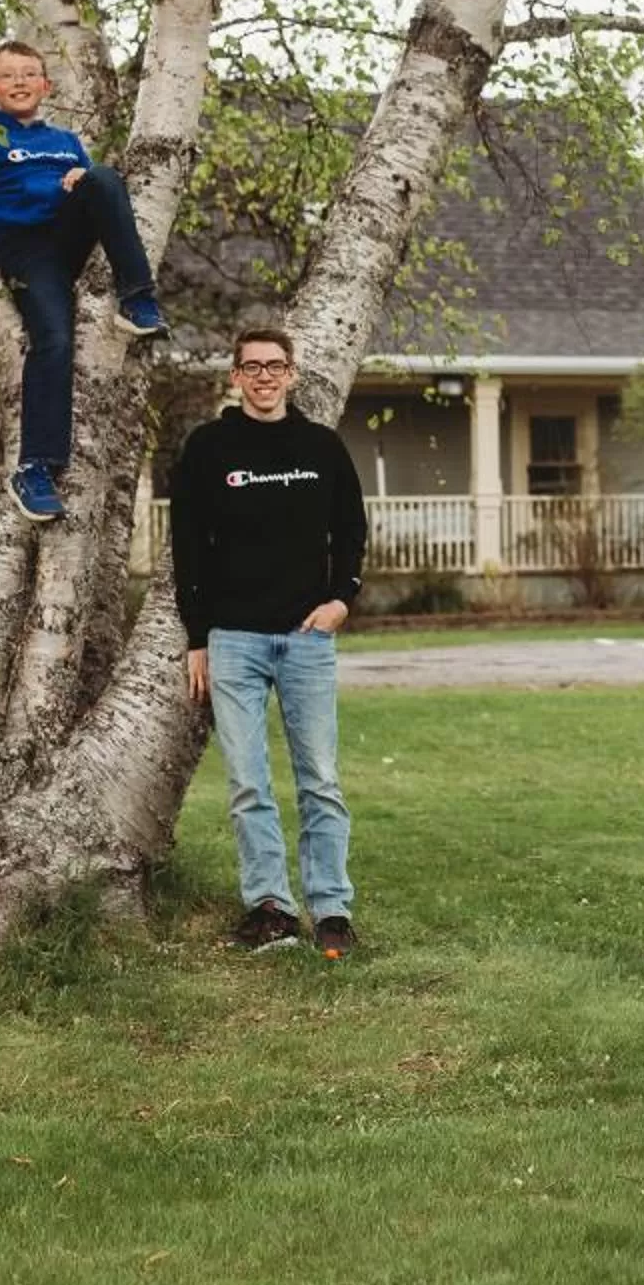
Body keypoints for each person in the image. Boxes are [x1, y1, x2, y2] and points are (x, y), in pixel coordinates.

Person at [172, 325, 371, 960]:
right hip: (233, 640)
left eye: (275, 366)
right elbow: (187, 550)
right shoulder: (208, 449)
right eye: (252, 367)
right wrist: (198, 638)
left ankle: (331, 909)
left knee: (321, 778)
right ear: (235, 376)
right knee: (248, 783)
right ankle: (270, 907)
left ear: (291, 375)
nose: (263, 377)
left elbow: (352, 530)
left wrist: (342, 599)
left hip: (306, 640)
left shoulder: (321, 447)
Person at [0, 40, 165, 521]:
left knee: (104, 178)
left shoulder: (65, 140)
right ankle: (34, 468)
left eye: (29, 73)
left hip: (67, 239)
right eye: (8, 75)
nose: (19, 82)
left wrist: (79, 180)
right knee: (53, 340)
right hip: (28, 254)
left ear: (46, 85)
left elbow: (92, 192)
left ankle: (137, 299)